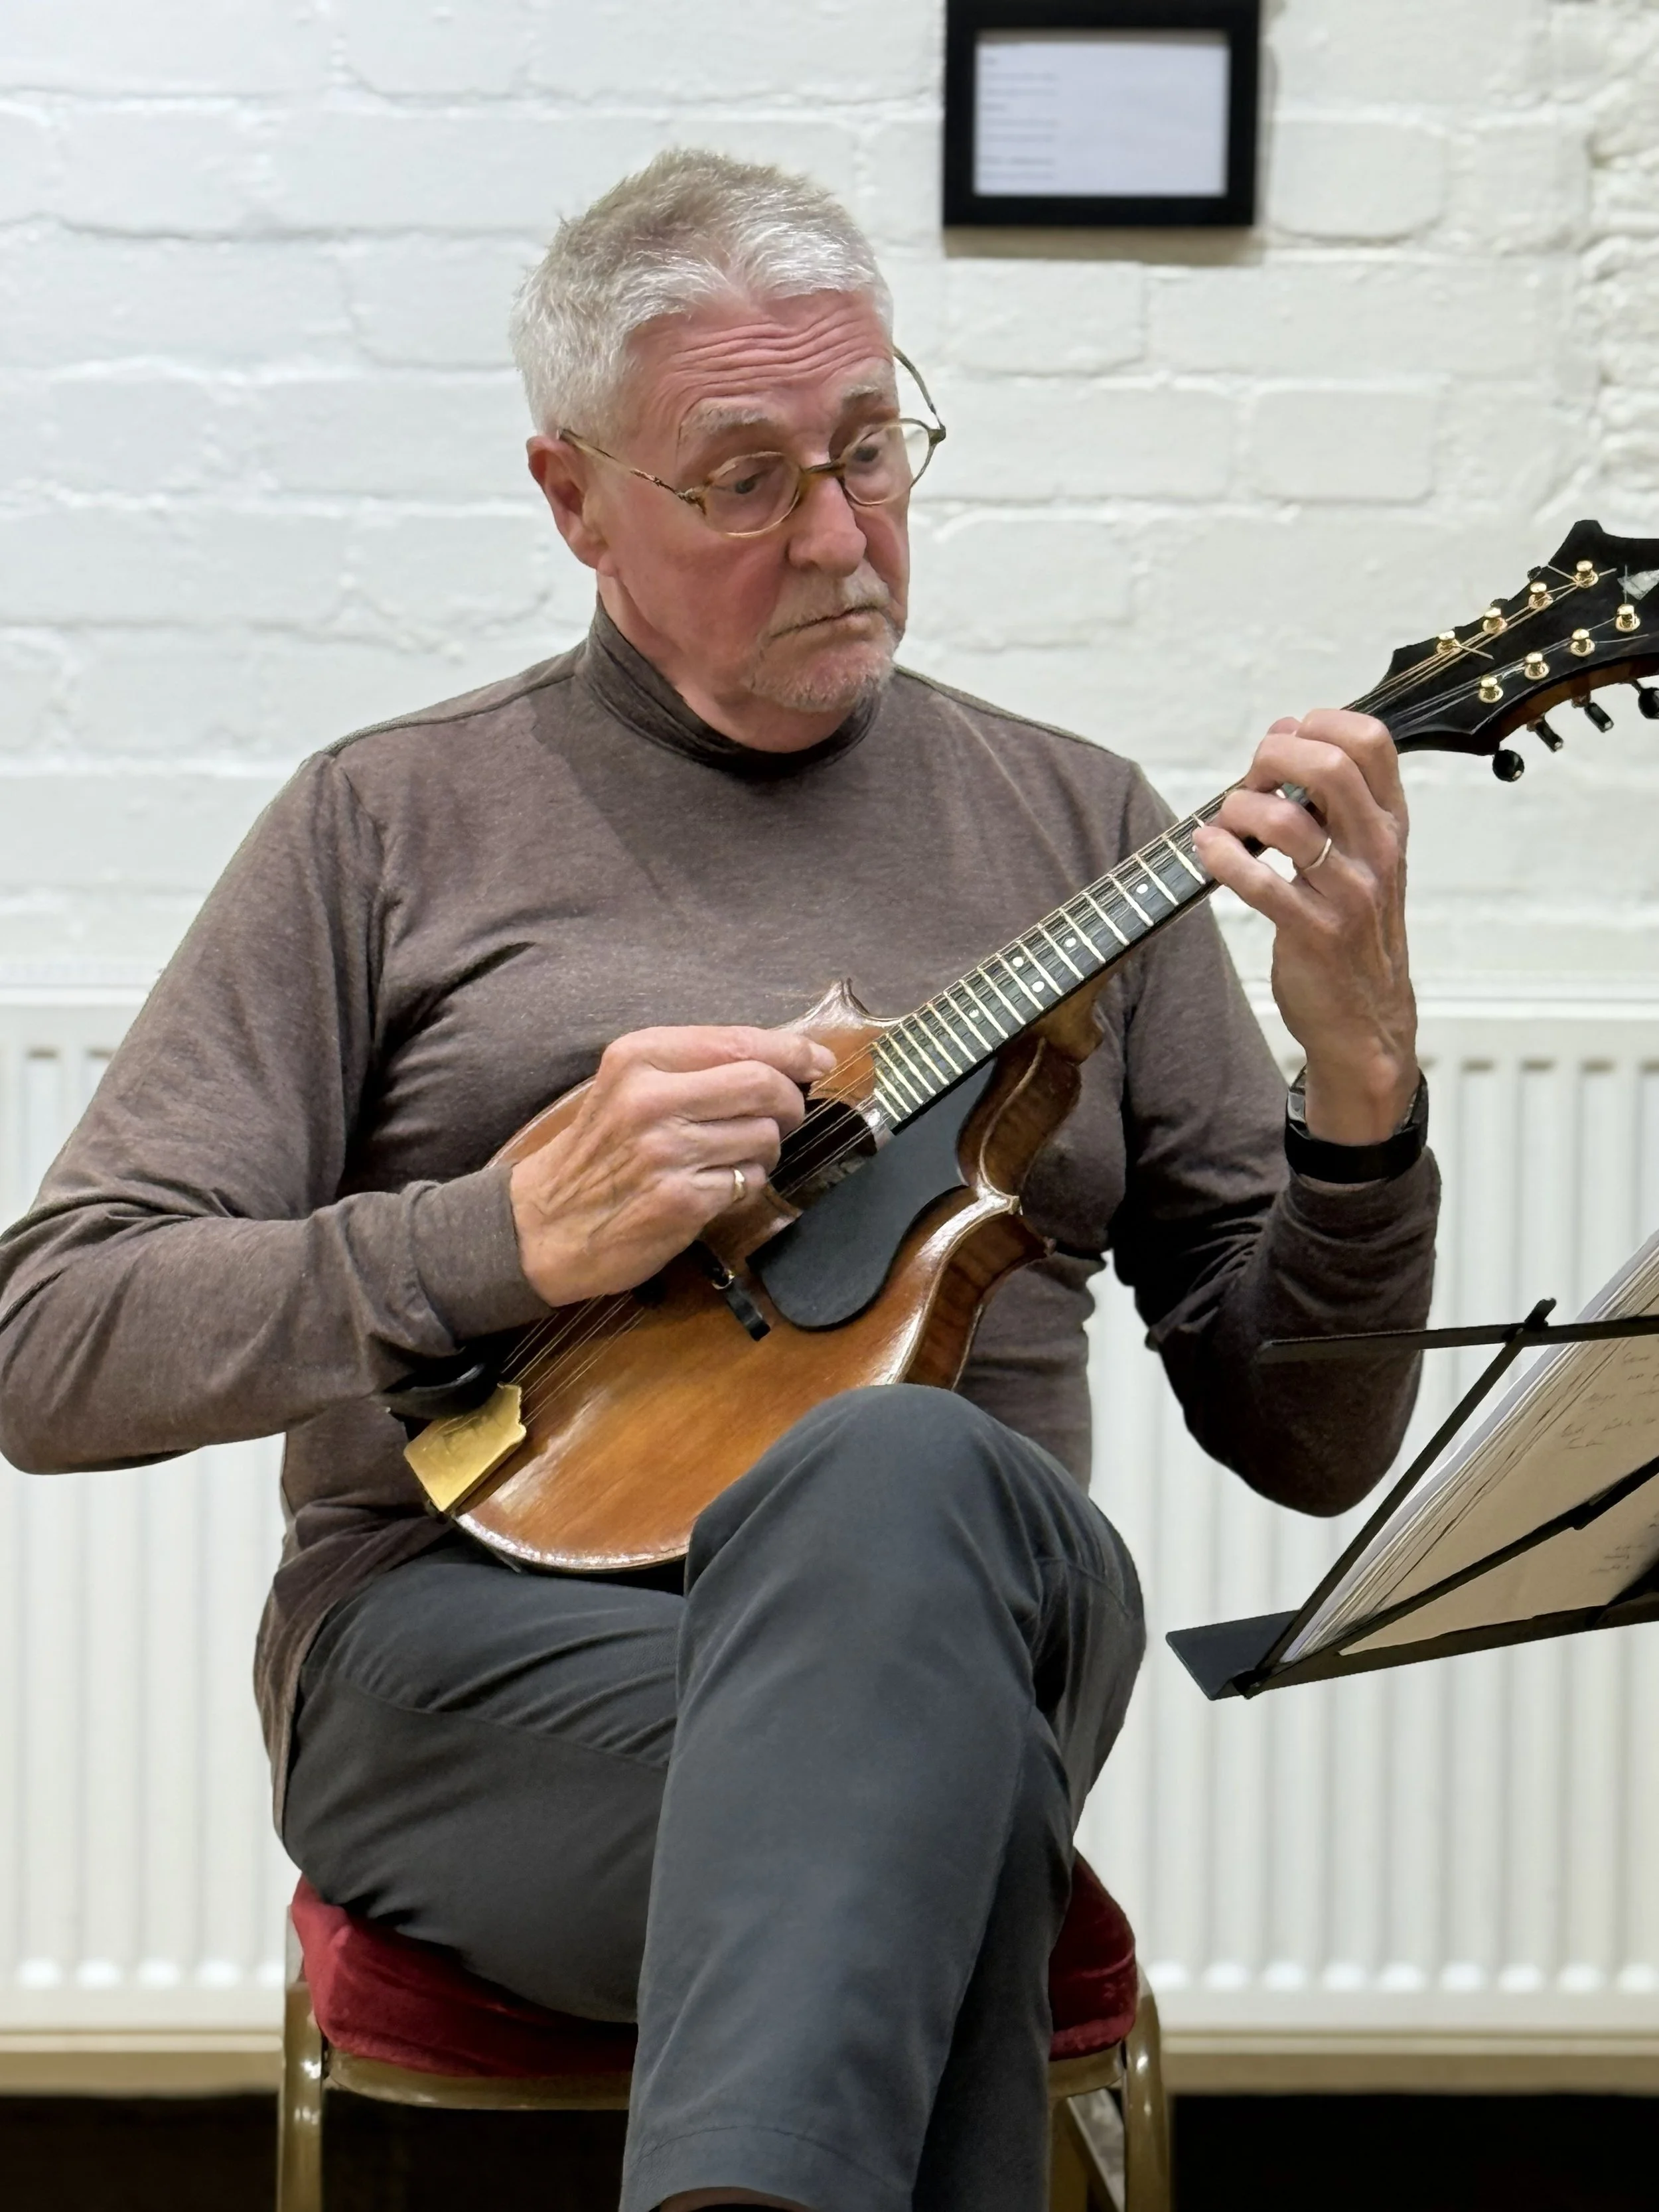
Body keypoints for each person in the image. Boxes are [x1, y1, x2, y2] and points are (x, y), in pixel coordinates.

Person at [0, 153, 1436, 2212]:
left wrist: (1362, 1085)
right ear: (573, 498)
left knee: (899, 1481)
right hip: (466, 1650)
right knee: (925, 1816)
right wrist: (495, 1234)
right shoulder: (385, 827)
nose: (839, 534)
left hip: (970, 1607)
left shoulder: (1080, 828)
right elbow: (48, 1342)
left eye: (869, 449)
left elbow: (1311, 1441)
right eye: (744, 479)